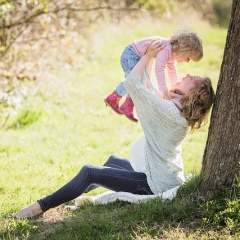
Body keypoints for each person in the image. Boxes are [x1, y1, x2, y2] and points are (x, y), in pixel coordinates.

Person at [10, 40, 214, 219]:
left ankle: (39, 207)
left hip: (154, 184)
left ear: (193, 94)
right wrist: (150, 57)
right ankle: (65, 195)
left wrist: (148, 56)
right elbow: (149, 88)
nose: (187, 74)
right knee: (112, 162)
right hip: (161, 175)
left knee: (89, 172)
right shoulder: (176, 110)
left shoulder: (168, 111)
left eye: (193, 78)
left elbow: (133, 83)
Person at [104, 30, 203, 122]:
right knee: (135, 81)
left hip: (136, 56)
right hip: (131, 55)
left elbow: (172, 70)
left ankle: (127, 104)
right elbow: (159, 70)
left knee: (137, 82)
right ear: (184, 50)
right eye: (189, 58)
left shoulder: (172, 53)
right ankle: (116, 98)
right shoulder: (166, 49)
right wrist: (163, 90)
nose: (187, 61)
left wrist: (175, 85)